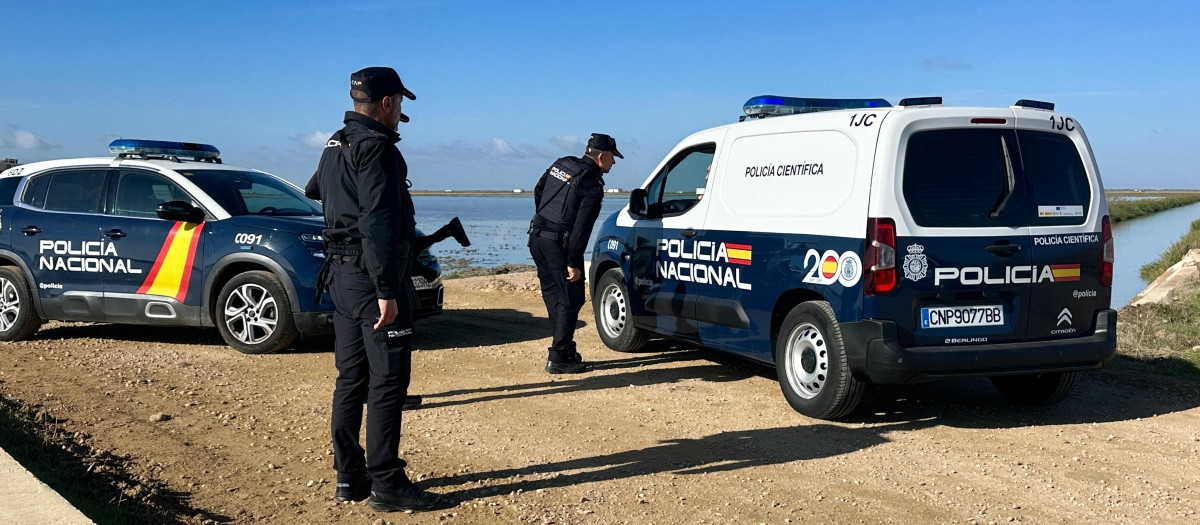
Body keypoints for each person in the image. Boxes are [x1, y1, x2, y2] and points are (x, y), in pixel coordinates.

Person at [304, 66, 447, 513]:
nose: (400, 111)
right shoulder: (379, 149)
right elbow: (379, 223)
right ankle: (387, 482)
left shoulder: (337, 142)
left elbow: (314, 190)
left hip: (340, 276)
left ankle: (350, 476)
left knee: (351, 379)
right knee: (387, 381)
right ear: (387, 103)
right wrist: (387, 288)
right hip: (371, 280)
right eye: (400, 103)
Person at [528, 133, 621, 374]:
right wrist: (574, 263)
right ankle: (558, 357)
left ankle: (566, 348)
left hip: (537, 236)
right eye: (612, 158)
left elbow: (538, 191)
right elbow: (582, 230)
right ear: (602, 156)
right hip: (558, 245)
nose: (614, 163)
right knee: (572, 299)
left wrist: (545, 221)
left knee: (553, 295)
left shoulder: (562, 163)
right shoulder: (591, 185)